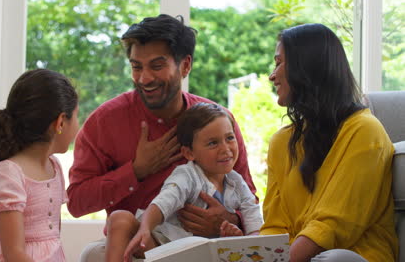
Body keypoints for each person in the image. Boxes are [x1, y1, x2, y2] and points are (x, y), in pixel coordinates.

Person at [67, 14, 257, 261]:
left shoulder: (219, 122)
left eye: (157, 66)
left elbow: (248, 196)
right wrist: (136, 171)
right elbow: (77, 203)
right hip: (140, 247)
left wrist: (228, 220)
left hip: (209, 247)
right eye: (137, 67)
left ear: (185, 65)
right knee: (92, 254)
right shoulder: (105, 121)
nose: (145, 78)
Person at [258, 23, 398, 262]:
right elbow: (274, 227)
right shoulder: (281, 143)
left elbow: (335, 224)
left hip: (352, 256)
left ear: (307, 67)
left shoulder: (365, 131)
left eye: (279, 62)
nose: (272, 75)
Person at [101, 103, 263, 262]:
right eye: (213, 143)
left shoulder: (237, 182)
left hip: (204, 251)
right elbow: (163, 202)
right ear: (189, 153)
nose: (225, 148)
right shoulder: (187, 175)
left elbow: (254, 221)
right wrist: (145, 228)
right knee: (119, 218)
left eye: (229, 138)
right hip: (165, 245)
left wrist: (245, 240)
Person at [0, 69, 79, 262]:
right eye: (77, 116)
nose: (78, 125)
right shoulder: (8, 173)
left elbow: (53, 241)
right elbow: (14, 254)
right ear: (60, 123)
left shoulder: (54, 167)